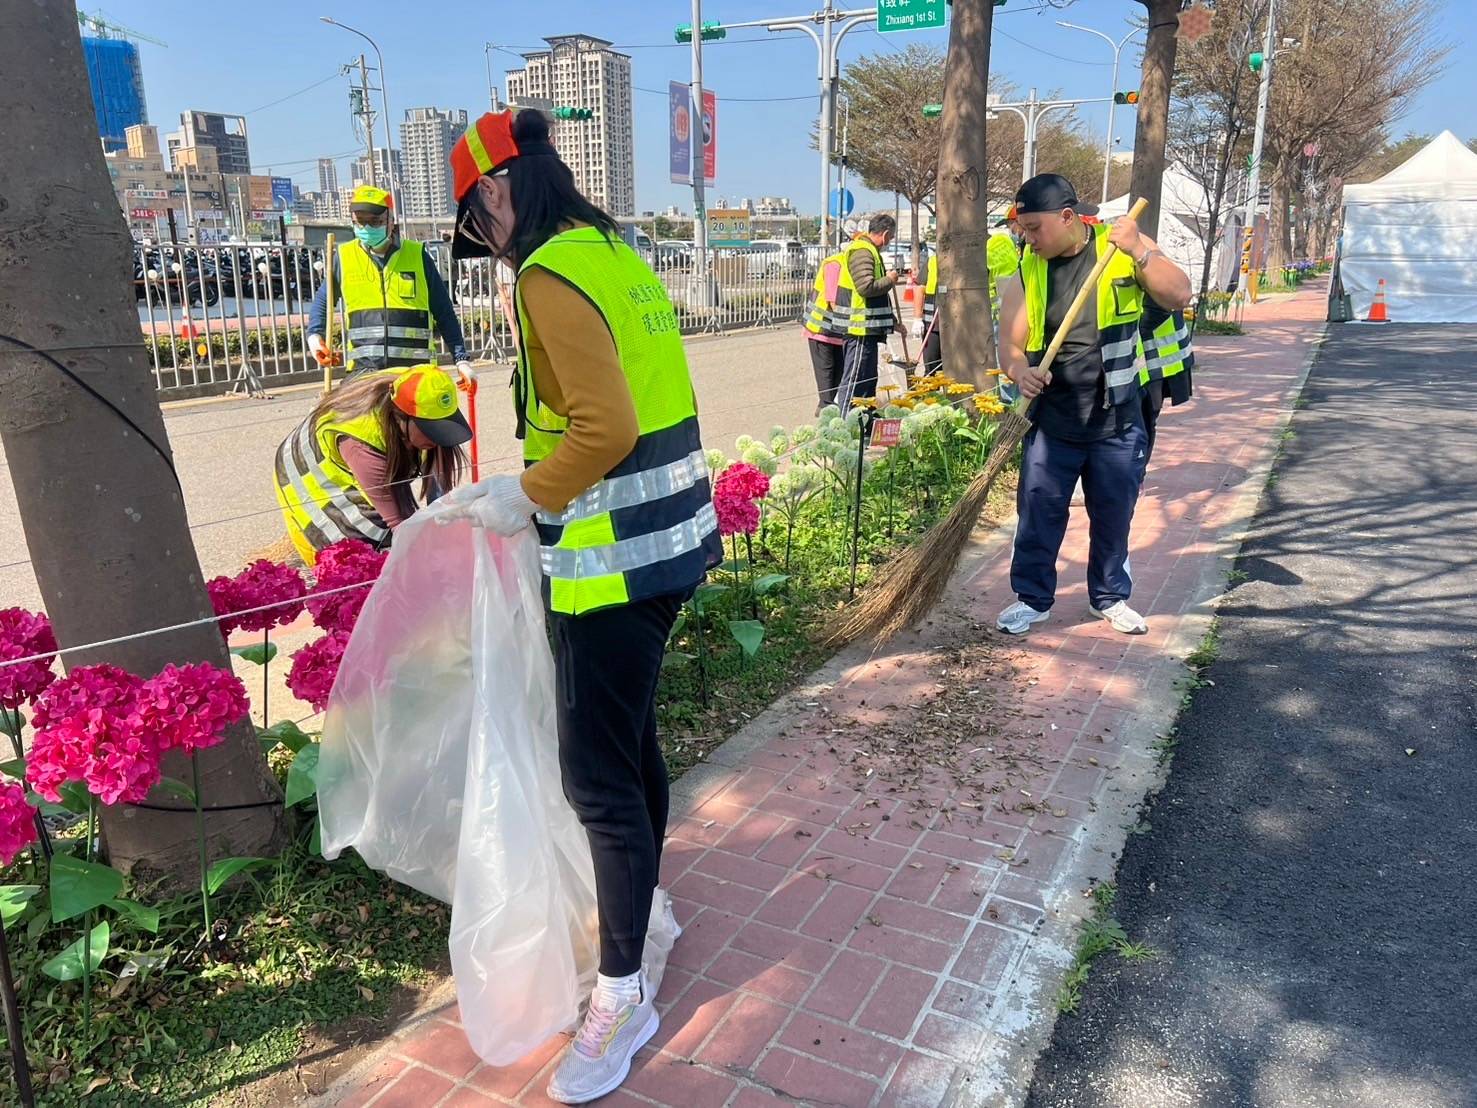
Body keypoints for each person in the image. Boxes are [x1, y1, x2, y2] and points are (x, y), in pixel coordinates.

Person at [436, 109, 722, 1105]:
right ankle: (635, 920)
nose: (485, 245)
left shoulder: (549, 274)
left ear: (498, 192)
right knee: (630, 749)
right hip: (675, 543)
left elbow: (601, 424)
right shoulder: (613, 252)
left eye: (476, 226)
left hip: (614, 568)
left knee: (597, 779)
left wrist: (528, 493)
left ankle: (620, 995)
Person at [996, 173, 1191, 637]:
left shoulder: (1120, 248)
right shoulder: (1029, 269)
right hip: (1053, 418)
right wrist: (1019, 371)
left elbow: (1178, 293)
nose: (1028, 237)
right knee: (1039, 510)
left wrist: (1140, 251)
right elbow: (1009, 343)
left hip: (1118, 413)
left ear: (1067, 218)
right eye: (1022, 228)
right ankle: (1032, 598)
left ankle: (1110, 596)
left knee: (1114, 511)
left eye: (1035, 227)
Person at [274, 364, 471, 566]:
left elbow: (438, 496)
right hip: (310, 478)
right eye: (431, 430)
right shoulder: (363, 445)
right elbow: (399, 524)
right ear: (402, 417)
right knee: (355, 556)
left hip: (373, 453)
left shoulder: (423, 390)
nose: (438, 439)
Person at [306, 185, 473, 383]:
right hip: (365, 374)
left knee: (447, 413)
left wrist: (461, 360)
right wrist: (314, 337)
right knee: (330, 414)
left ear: (391, 221)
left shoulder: (417, 255)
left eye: (375, 222)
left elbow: (444, 311)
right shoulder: (343, 258)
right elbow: (323, 302)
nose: (367, 228)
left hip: (416, 375)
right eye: (360, 222)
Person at [835, 214, 901, 410]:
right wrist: (890, 279)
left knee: (866, 381)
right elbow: (866, 287)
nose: (890, 241)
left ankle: (864, 424)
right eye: (891, 237)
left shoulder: (870, 250)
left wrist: (893, 320)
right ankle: (845, 424)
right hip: (859, 328)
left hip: (867, 328)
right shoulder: (862, 251)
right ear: (886, 233)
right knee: (855, 379)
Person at [801, 246, 847, 410]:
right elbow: (832, 298)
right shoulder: (835, 264)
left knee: (839, 370)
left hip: (838, 330)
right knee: (826, 370)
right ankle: (825, 407)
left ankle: (828, 405)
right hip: (821, 327)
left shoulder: (850, 263)